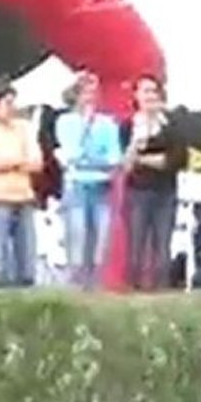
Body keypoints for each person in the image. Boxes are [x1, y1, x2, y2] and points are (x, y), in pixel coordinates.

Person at [0, 78, 43, 287]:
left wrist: (8, 163)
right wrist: (20, 162)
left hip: (24, 195)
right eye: (7, 103)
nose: (13, 108)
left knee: (27, 255)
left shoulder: (24, 128)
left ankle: (25, 285)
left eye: (14, 102)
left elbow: (37, 163)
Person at [54, 73, 122, 289]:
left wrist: (91, 161)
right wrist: (85, 128)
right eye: (86, 93)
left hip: (101, 186)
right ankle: (76, 286)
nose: (91, 98)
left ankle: (95, 286)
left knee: (101, 239)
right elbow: (71, 154)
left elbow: (114, 158)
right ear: (76, 95)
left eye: (94, 93)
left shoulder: (108, 124)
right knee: (77, 236)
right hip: (76, 185)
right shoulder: (65, 121)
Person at [120, 74, 187, 291]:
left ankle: (161, 289)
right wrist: (137, 144)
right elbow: (125, 164)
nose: (150, 96)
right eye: (145, 91)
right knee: (136, 244)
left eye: (153, 91)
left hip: (166, 192)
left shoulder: (171, 125)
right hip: (137, 191)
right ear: (136, 96)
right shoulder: (128, 125)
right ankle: (133, 289)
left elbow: (175, 160)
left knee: (163, 244)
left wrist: (143, 159)